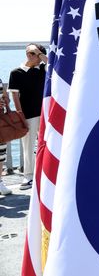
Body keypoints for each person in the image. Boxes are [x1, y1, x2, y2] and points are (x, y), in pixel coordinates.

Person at [8, 43, 48, 189]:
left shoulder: (44, 69)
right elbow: (15, 96)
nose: (39, 59)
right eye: (35, 55)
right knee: (28, 146)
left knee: (48, 144)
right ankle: (29, 176)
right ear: (29, 55)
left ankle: (47, 172)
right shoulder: (16, 73)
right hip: (28, 115)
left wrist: (39, 53)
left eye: (39, 55)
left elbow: (54, 65)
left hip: (46, 114)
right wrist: (21, 115)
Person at [0, 79, 11, 195]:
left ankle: (0, 183)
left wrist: (5, 99)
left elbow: (6, 96)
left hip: (1, 119)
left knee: (1, 153)